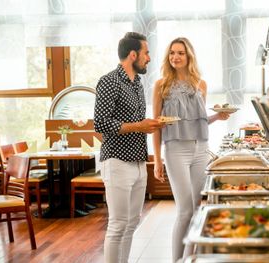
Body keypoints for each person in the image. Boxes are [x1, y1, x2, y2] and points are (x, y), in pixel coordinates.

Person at [152, 37, 231, 262]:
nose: (175, 57)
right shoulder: (161, 85)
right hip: (176, 150)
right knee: (184, 210)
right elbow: (157, 125)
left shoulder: (200, 84)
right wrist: (157, 160)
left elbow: (199, 119)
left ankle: (189, 259)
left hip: (201, 149)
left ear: (189, 57)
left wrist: (218, 116)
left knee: (197, 209)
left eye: (180, 53)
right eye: (172, 53)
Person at [94, 32, 164, 263]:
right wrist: (138, 126)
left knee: (132, 222)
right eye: (146, 53)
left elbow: (138, 124)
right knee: (117, 224)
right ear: (133, 54)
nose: (149, 58)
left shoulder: (137, 83)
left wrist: (149, 125)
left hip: (138, 161)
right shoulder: (109, 81)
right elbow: (101, 124)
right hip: (117, 161)